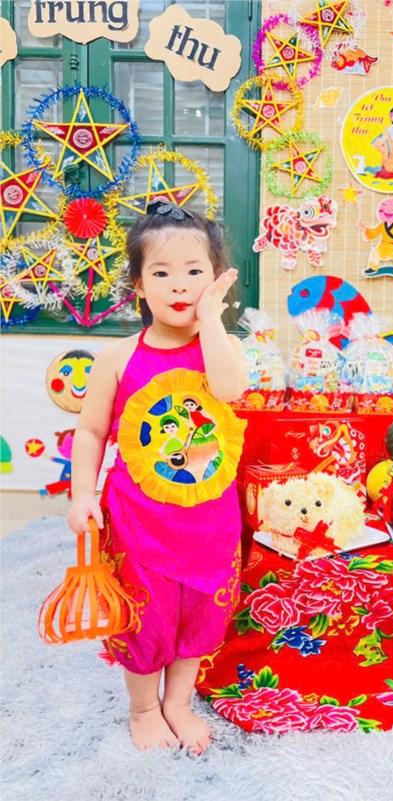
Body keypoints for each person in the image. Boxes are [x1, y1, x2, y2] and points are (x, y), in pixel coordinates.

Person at [67, 200, 248, 755]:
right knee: (141, 616)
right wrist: (81, 495)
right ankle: (144, 708)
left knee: (201, 611)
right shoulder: (117, 357)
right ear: (139, 285)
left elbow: (229, 390)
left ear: (215, 280)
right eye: (162, 273)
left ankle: (178, 702)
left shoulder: (223, 348)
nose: (180, 285)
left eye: (194, 271)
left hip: (209, 518)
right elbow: (91, 432)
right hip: (137, 520)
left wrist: (212, 319)